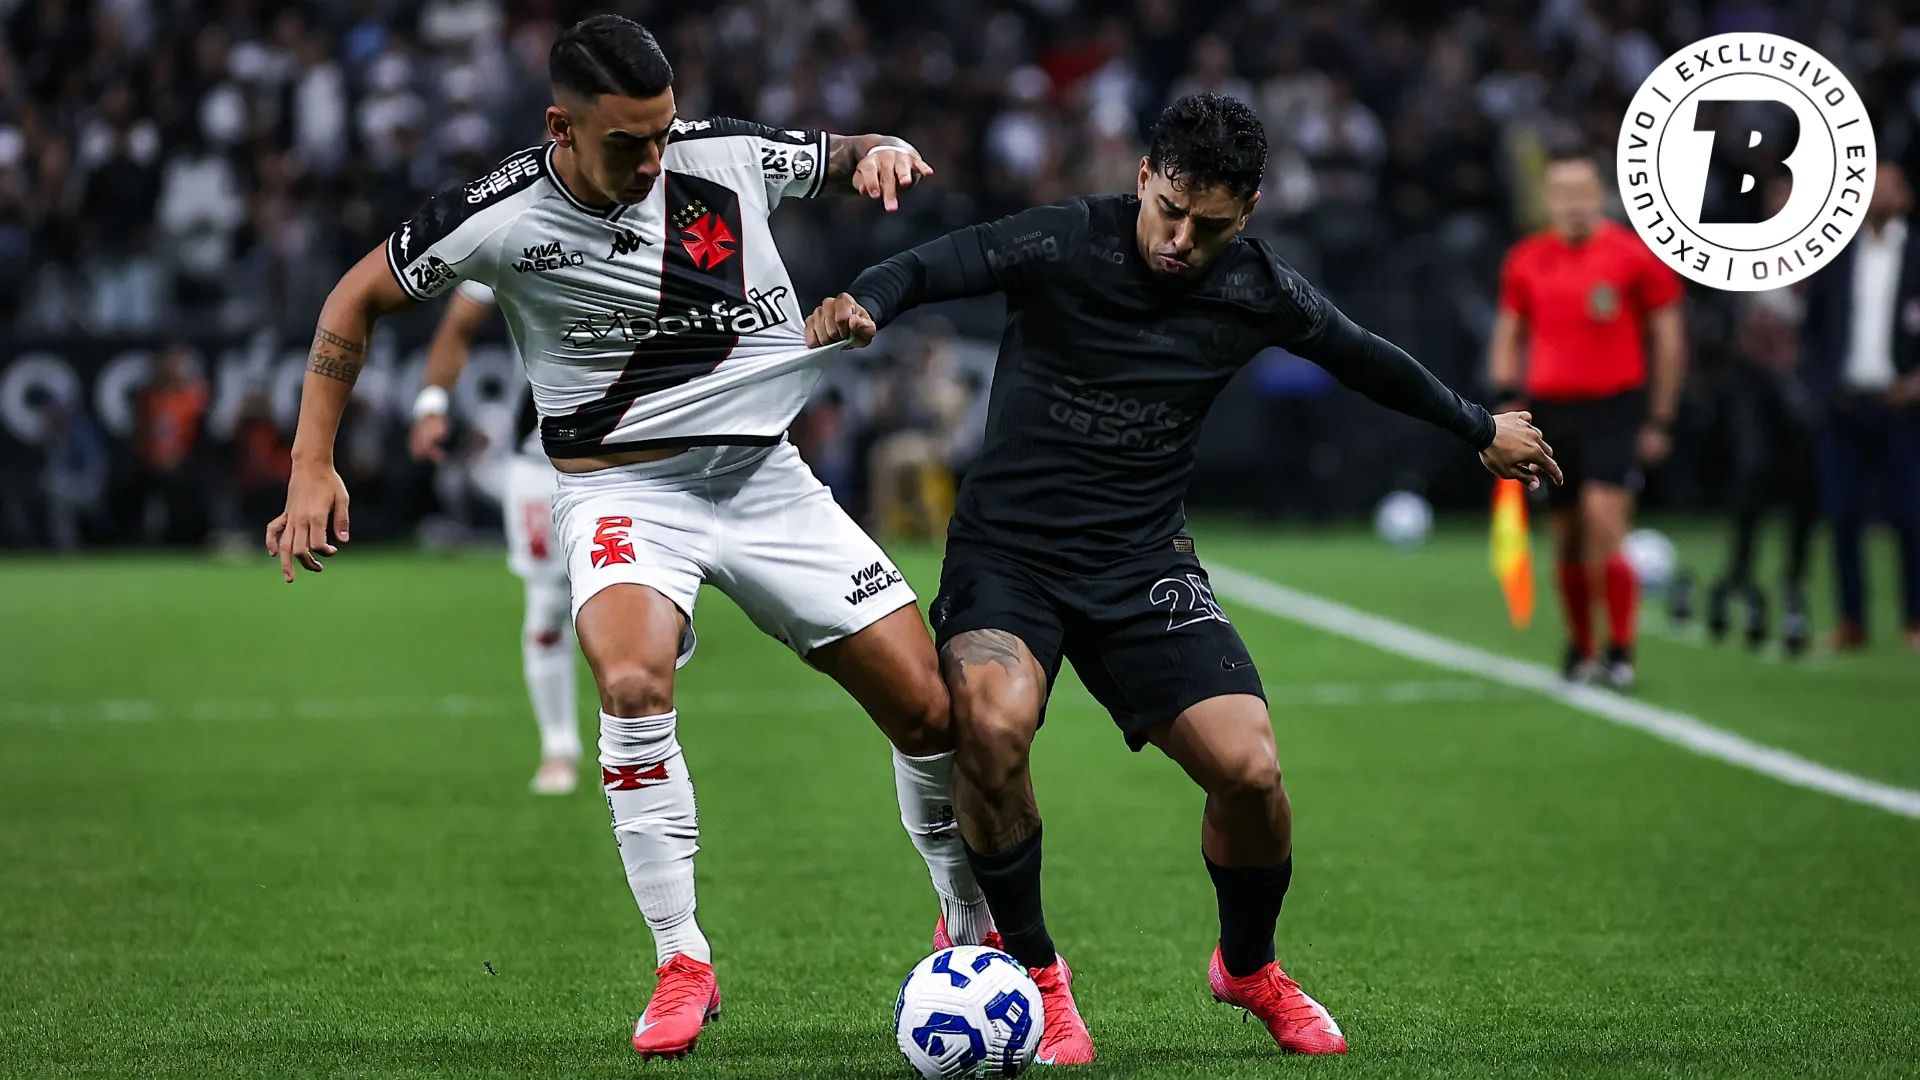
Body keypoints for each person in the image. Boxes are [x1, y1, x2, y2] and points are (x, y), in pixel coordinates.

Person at [264, 15, 990, 1060]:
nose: (655, 161)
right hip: (625, 496)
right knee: (634, 680)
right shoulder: (500, 213)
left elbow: (839, 156)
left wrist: (878, 151)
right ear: (561, 125)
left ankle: (965, 925)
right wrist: (309, 462)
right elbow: (355, 297)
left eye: (663, 134)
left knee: (927, 710)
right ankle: (681, 957)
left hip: (766, 483)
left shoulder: (719, 153)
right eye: (628, 144)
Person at [807, 94, 1558, 1062]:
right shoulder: (1067, 240)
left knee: (1251, 771)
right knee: (989, 728)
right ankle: (1038, 974)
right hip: (1010, 557)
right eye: (1168, 209)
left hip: (1140, 562)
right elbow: (928, 263)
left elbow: (1364, 357)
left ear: (1244, 213)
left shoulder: (1255, 287)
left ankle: (1247, 967)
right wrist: (866, 299)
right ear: (1146, 179)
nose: (1177, 239)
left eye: (1208, 225)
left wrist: (1479, 427)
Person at [1487, 150, 1686, 688]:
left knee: (1605, 518)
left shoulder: (1632, 256)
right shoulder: (1526, 259)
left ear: (1599, 195)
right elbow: (1509, 331)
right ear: (1548, 199)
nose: (1573, 204)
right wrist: (1506, 398)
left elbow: (1668, 336)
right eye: (1563, 193)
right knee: (1568, 534)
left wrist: (1660, 417)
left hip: (1613, 406)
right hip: (1552, 411)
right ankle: (1582, 646)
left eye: (1583, 192)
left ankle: (1621, 650)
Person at [410, 280, 583, 794]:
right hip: (541, 462)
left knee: (641, 601)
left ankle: (636, 743)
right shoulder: (511, 224)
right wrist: (432, 404)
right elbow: (459, 322)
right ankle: (559, 749)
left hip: (634, 456)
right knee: (550, 605)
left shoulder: (653, 226)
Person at [1800, 160, 1920, 652]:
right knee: (1843, 514)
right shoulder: (1836, 253)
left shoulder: (1916, 252)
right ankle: (1852, 619)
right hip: (1845, 405)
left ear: (1904, 195)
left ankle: (1915, 618)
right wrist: (1823, 387)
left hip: (1903, 407)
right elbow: (1814, 328)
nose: (1876, 197)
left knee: (1910, 515)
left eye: (1887, 187)